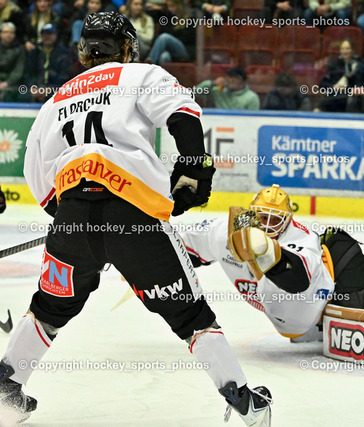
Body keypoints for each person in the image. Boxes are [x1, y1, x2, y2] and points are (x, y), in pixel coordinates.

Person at [0, 12, 271, 426]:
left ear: (84, 51)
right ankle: (245, 402)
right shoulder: (141, 74)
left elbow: (38, 178)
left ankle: (6, 390)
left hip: (72, 219)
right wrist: (194, 169)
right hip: (135, 217)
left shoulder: (55, 101)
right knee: (190, 316)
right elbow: (183, 114)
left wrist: (79, 219)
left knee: (48, 308)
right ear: (127, 47)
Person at [181, 185, 364, 372]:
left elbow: (297, 279)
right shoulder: (223, 231)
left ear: (287, 221)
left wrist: (264, 252)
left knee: (339, 245)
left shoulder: (302, 238)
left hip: (315, 298)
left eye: (275, 220)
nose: (267, 226)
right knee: (339, 307)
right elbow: (180, 249)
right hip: (298, 321)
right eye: (261, 218)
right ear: (251, 214)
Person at [23, 23, 73, 103]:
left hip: (57, 89)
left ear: (55, 35)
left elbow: (65, 74)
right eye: (44, 34)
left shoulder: (64, 52)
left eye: (49, 34)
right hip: (36, 89)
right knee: (22, 93)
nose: (47, 37)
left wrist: (50, 89)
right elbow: (28, 72)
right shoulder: (35, 52)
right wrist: (33, 87)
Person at [317, 38, 364, 112]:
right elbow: (323, 83)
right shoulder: (334, 65)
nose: (345, 51)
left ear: (352, 50)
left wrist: (360, 90)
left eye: (347, 48)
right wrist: (333, 86)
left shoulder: (360, 66)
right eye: (343, 49)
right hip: (335, 96)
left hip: (352, 97)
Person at [147, 0, 196, 64]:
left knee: (164, 37)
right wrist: (162, 6)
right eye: (168, 6)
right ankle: (158, 70)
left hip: (185, 50)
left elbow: (189, 39)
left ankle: (149, 63)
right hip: (169, 50)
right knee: (164, 56)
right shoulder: (167, 17)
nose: (170, 9)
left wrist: (170, 39)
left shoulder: (190, 18)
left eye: (172, 6)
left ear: (180, 6)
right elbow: (151, 14)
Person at [0, 22, 25, 102]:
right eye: (5, 32)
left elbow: (18, 70)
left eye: (11, 32)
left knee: (8, 93)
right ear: (1, 34)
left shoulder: (20, 49)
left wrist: (7, 83)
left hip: (12, 84)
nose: (8, 35)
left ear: (14, 35)